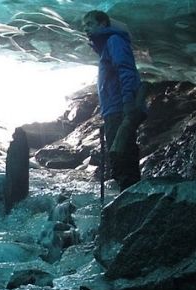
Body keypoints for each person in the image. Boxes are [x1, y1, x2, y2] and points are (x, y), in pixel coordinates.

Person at [81, 10, 148, 191]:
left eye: (89, 24)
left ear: (103, 24)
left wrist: (128, 103)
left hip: (120, 109)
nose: (86, 29)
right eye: (84, 26)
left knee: (122, 160)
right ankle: (130, 200)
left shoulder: (114, 41)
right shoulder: (107, 46)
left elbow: (126, 70)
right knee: (122, 159)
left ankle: (130, 204)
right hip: (114, 110)